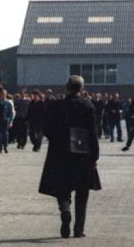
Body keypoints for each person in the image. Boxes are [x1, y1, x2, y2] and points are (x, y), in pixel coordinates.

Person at [40, 75, 101, 238]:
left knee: (62, 187)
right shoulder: (88, 105)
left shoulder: (56, 105)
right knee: (82, 190)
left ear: (66, 88)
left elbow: (46, 128)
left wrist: (57, 139)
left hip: (60, 153)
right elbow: (93, 133)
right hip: (82, 153)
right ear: (81, 89)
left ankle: (65, 210)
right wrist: (95, 156)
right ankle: (79, 229)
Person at [0, 89, 14, 154]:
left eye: (4, 94)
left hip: (5, 121)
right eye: (1, 94)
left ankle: (5, 147)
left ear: (6, 95)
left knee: (5, 134)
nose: (3, 95)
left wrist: (10, 121)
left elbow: (11, 113)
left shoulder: (8, 103)